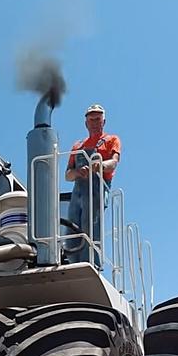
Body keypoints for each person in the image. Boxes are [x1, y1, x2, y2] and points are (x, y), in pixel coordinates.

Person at [64, 104, 121, 265]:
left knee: (91, 224)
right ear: (86, 123)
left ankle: (91, 262)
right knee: (73, 226)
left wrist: (100, 165)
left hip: (98, 187)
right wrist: (78, 172)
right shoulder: (78, 146)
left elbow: (114, 162)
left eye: (98, 119)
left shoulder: (111, 140)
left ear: (104, 122)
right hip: (78, 191)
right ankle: (73, 261)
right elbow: (68, 175)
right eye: (91, 119)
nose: (95, 122)